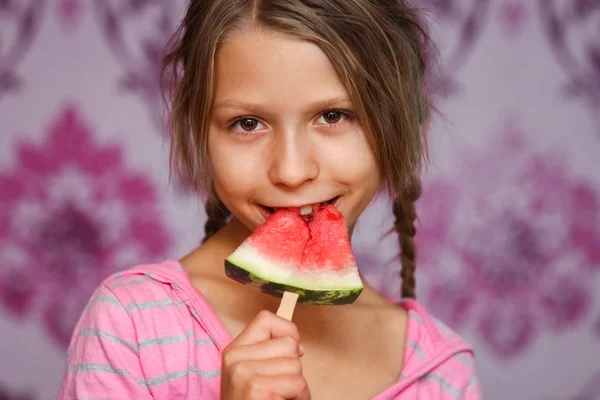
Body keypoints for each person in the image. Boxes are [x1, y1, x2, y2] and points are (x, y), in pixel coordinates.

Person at [58, 0, 481, 398]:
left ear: (396, 119)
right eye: (247, 123)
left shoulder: (440, 373)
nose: (292, 172)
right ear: (201, 130)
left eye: (332, 116)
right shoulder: (130, 325)